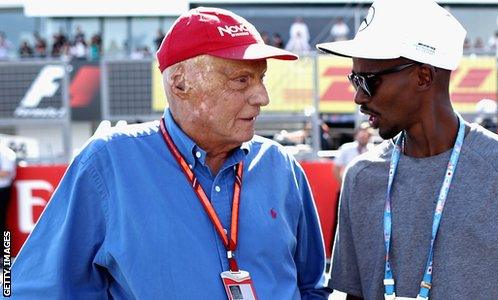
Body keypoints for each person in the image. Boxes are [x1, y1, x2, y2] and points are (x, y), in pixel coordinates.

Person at [12, 7, 329, 299]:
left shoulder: (282, 168)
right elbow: (37, 290)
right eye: (241, 80)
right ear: (180, 85)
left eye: (261, 79)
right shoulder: (108, 164)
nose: (262, 96)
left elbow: (310, 288)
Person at [317, 0, 498, 299]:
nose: (359, 96)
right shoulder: (360, 177)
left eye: (368, 80)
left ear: (423, 76)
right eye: (353, 80)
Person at [0, 144, 16, 231]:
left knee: (2, 222)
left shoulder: (5, 153)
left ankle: (6, 244)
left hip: (3, 190)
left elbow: (5, 173)